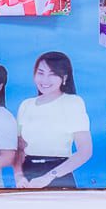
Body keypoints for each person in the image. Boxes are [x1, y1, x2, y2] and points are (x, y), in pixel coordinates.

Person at [15, 51, 91, 189]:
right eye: (41, 73)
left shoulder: (73, 103)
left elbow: (85, 151)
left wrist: (49, 177)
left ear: (64, 77)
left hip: (59, 176)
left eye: (52, 74)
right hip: (27, 178)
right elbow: (19, 148)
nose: (45, 80)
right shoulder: (26, 105)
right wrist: (19, 176)